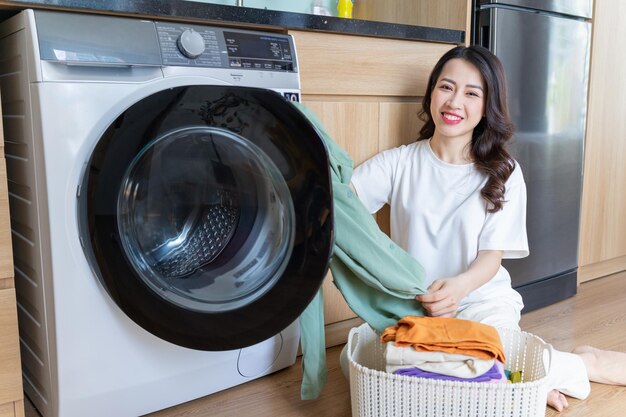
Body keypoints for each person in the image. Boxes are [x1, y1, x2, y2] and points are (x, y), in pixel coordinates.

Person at [349, 45, 626, 412]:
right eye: (446, 87)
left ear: (486, 106)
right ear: (431, 93)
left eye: (471, 93)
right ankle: (523, 378)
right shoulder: (398, 163)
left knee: (492, 353)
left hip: (481, 301)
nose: (454, 102)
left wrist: (458, 288)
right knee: (366, 363)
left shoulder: (504, 172)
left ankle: (581, 364)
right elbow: (343, 206)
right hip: (416, 308)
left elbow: (490, 259)